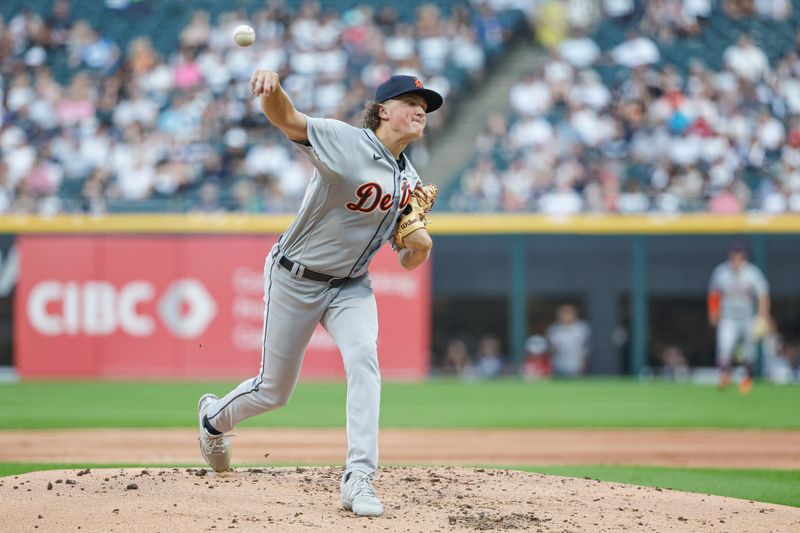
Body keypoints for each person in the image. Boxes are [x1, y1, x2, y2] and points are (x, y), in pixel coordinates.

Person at [196, 72, 443, 517]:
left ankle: (359, 478)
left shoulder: (409, 179)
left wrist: (419, 246)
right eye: (410, 100)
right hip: (295, 277)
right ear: (383, 110)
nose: (420, 108)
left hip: (350, 285)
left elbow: (406, 259)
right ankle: (213, 419)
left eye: (424, 103)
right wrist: (273, 91)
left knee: (364, 358)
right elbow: (288, 119)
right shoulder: (346, 142)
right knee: (274, 391)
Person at [708, 242, 770, 393]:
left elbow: (763, 294)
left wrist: (762, 316)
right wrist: (713, 312)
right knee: (724, 347)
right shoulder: (721, 272)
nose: (736, 260)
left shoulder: (752, 272)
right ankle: (724, 376)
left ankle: (746, 379)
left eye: (739, 257)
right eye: (733, 256)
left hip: (747, 317)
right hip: (728, 317)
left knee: (748, 352)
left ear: (744, 257)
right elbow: (714, 293)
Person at [546, 304, 591, 377]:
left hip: (576, 365)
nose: (565, 316)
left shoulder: (582, 327)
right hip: (558, 363)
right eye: (562, 313)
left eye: (567, 313)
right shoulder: (554, 328)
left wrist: (583, 363)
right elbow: (550, 348)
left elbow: (586, 348)